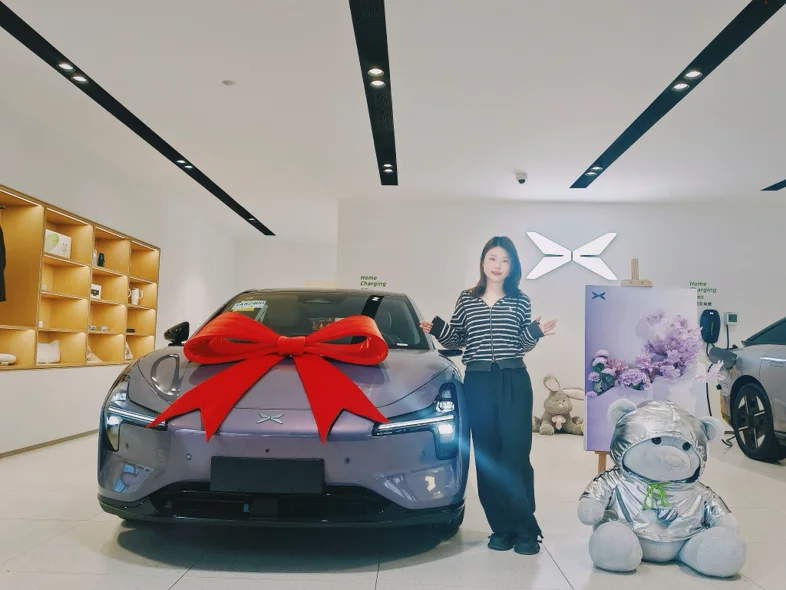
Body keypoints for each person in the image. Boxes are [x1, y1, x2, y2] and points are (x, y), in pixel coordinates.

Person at [420, 236, 557, 555]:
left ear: (513, 266)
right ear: (483, 262)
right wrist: (437, 328)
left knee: (515, 454)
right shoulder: (467, 299)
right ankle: (502, 528)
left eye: (505, 260)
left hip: (514, 380)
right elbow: (458, 338)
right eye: (493, 258)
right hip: (478, 381)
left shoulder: (520, 300)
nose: (498, 265)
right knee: (488, 456)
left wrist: (535, 332)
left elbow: (522, 343)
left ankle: (525, 528)